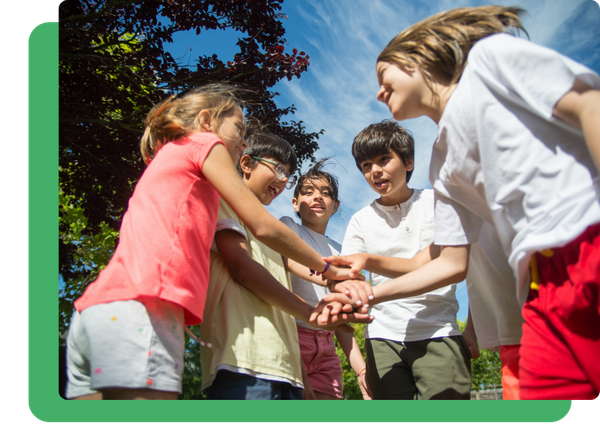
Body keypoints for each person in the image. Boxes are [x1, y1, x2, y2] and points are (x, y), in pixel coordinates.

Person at [326, 6, 600, 401]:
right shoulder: (443, 162)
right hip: (539, 282)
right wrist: (367, 293)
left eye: (384, 77)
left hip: (584, 239)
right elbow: (450, 263)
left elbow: (588, 104)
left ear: (417, 62)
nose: (378, 92)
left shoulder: (489, 63)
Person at [64, 85, 370, 401]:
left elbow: (282, 255)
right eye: (239, 129)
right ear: (208, 120)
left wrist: (330, 283)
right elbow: (262, 227)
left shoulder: (186, 173)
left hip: (99, 309)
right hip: (144, 310)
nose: (243, 142)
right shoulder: (203, 143)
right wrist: (328, 269)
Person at [200, 135, 373, 400]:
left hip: (286, 355)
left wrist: (337, 279)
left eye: (288, 175)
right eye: (279, 169)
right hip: (245, 355)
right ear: (245, 163)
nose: (283, 180)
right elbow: (248, 266)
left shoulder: (277, 236)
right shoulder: (266, 224)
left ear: (337, 206)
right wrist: (316, 302)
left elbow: (294, 265)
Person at [329, 120, 471, 400]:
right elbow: (346, 277)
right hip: (382, 337)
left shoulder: (437, 203)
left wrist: (473, 328)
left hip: (438, 329)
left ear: (408, 162)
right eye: (366, 165)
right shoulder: (360, 220)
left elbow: (452, 265)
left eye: (384, 159)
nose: (375, 171)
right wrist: (345, 290)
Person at [279, 159, 371, 400]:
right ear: (295, 203)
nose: (317, 197)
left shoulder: (341, 250)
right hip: (291, 336)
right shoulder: (289, 228)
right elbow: (289, 260)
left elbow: (342, 323)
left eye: (326, 193)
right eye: (308, 192)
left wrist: (361, 369)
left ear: (336, 205)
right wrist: (329, 277)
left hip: (326, 347)